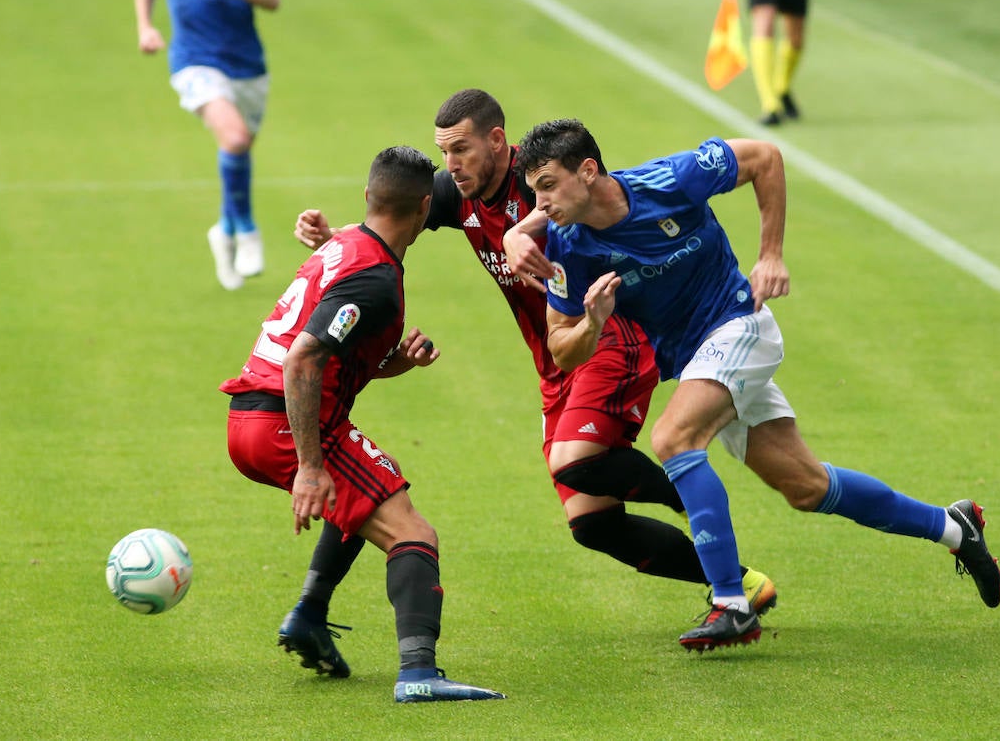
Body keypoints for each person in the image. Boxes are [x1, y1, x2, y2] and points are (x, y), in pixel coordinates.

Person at [508, 120, 1000, 653]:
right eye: (534, 189)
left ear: (587, 171)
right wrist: (594, 323)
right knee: (807, 488)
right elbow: (562, 347)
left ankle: (733, 604)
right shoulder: (568, 246)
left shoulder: (671, 180)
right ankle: (954, 529)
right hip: (702, 359)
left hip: (741, 325)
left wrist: (770, 255)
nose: (538, 204)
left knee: (674, 438)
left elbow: (764, 157)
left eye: (548, 186)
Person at [293, 89, 777, 620]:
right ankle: (740, 581)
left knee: (577, 461)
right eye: (444, 152)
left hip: (609, 336)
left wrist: (526, 228)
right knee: (593, 524)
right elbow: (397, 212)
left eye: (461, 150)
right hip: (556, 356)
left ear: (497, 140)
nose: (450, 166)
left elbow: (600, 197)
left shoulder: (546, 179)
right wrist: (333, 233)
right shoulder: (460, 191)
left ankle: (691, 491)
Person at [220, 145, 504, 703]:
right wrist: (308, 466)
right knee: (413, 532)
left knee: (374, 483)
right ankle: (418, 674)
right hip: (283, 424)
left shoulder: (348, 243)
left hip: (251, 418)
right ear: (425, 209)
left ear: (368, 197)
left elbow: (335, 354)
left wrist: (396, 361)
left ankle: (309, 614)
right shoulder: (373, 277)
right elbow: (303, 359)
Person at [134, 0, 279, 291]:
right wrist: (145, 25)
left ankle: (224, 230)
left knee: (237, 151)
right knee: (233, 138)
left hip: (247, 66)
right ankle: (248, 230)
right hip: (192, 61)